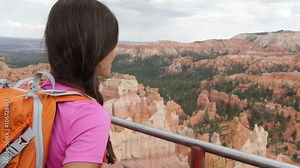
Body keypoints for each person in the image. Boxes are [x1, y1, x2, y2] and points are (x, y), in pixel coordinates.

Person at [43, 0, 119, 167]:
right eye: (113, 41)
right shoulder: (89, 115)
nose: (116, 49)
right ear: (96, 47)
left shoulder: (35, 91)